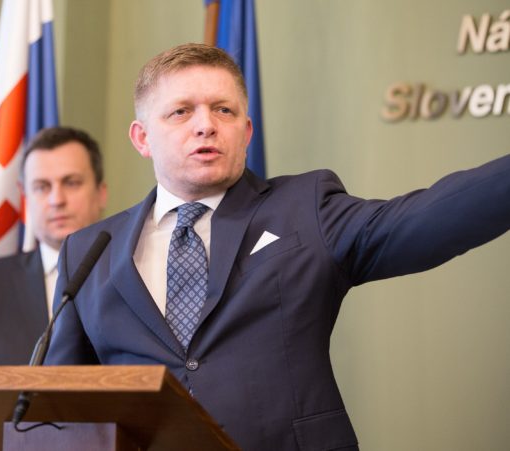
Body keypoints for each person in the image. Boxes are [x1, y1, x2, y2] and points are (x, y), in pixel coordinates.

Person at [43, 43, 510, 450]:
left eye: (224, 110)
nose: (206, 125)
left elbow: (421, 221)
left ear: (246, 132)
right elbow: (58, 406)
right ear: (142, 137)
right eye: (181, 111)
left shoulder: (305, 208)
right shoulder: (89, 252)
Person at [0, 126, 107, 366]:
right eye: (42, 187)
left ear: (101, 193)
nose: (56, 200)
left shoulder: (134, 272)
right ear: (25, 197)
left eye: (71, 183)